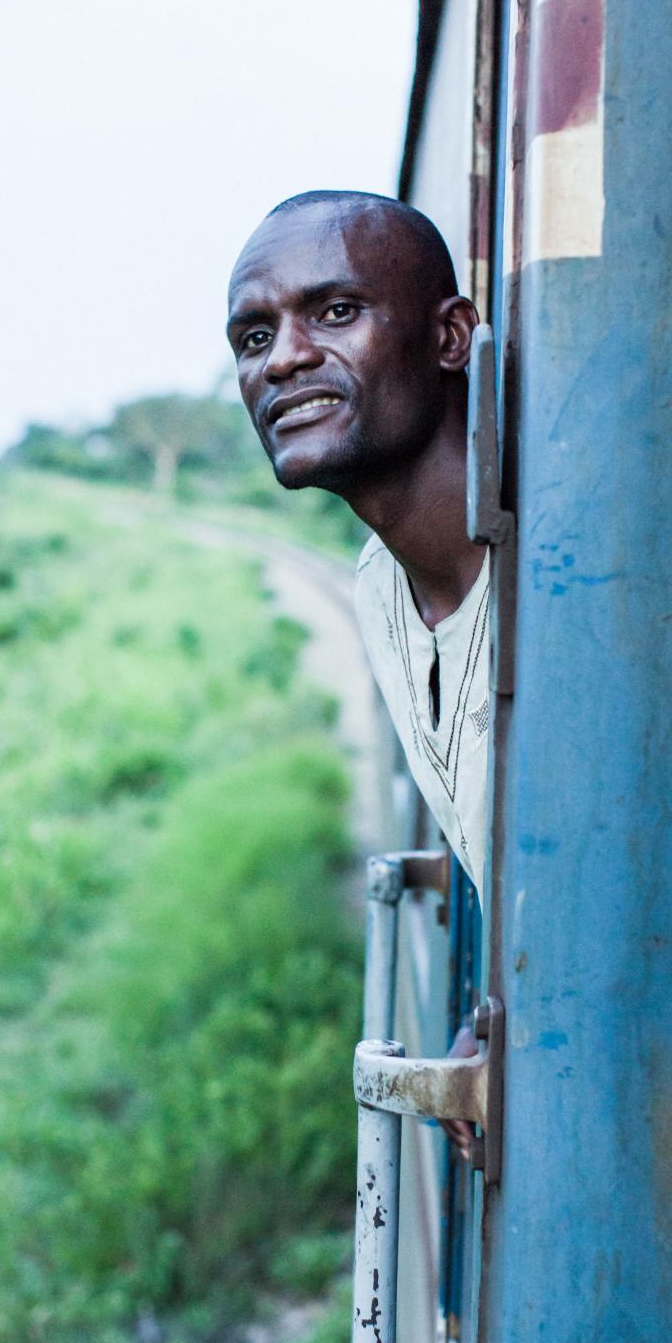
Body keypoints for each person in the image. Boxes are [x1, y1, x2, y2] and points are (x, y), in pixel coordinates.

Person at [227, 187, 491, 895]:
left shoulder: (577, 571)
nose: (282, 361)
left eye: (336, 312)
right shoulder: (378, 585)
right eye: (254, 337)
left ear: (450, 337)